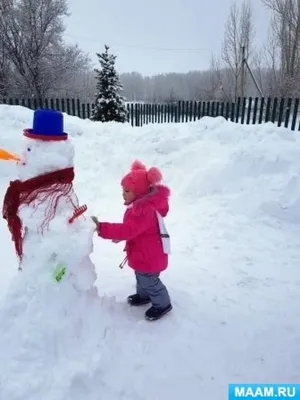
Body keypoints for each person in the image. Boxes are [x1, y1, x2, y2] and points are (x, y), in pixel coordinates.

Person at [91, 160, 172, 321]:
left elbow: (128, 229)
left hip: (149, 256)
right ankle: (144, 296)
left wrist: (102, 228)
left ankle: (163, 304)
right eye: (123, 190)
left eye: (127, 190)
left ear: (140, 192)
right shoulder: (139, 207)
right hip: (144, 253)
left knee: (149, 280)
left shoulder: (143, 211)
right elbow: (134, 230)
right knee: (141, 277)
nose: (123, 193)